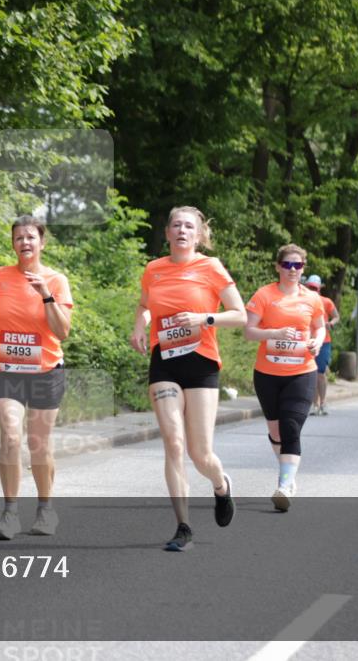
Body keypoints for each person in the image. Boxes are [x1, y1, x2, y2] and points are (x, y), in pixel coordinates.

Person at [130, 206, 245, 551]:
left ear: (198, 235)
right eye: (176, 225)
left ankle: (221, 486)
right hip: (164, 361)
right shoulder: (154, 269)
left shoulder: (210, 267)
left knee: (200, 453)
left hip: (201, 363)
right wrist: (140, 324)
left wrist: (204, 319)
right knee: (173, 443)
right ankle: (183, 526)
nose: (181, 231)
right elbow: (144, 304)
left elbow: (239, 315)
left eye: (188, 226)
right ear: (167, 233)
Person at [0, 215, 73, 539]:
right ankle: (10, 513)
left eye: (31, 237)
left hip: (46, 371)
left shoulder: (56, 280)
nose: (25, 243)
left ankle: (46, 510)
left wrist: (45, 294)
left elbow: (63, 331)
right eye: (19, 238)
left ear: (42, 242)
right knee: (11, 436)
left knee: (39, 445)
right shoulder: (0, 277)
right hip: (8, 370)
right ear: (13, 243)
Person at [245, 244, 325, 513]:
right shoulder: (264, 295)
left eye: (298, 266)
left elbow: (320, 327)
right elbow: (249, 331)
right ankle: (287, 474)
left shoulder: (312, 299)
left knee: (291, 426)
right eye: (288, 265)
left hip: (301, 372)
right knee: (276, 431)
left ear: (304, 269)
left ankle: (285, 484)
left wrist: (316, 341)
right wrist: (274, 334)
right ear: (278, 266)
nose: (293, 270)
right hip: (267, 373)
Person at [304, 275, 340, 415]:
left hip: (323, 341)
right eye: (310, 287)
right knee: (311, 373)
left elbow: (336, 316)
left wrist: (331, 323)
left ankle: (323, 402)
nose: (312, 290)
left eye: (314, 288)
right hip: (307, 340)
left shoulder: (326, 301)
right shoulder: (302, 301)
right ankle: (314, 404)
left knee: (320, 373)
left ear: (319, 288)